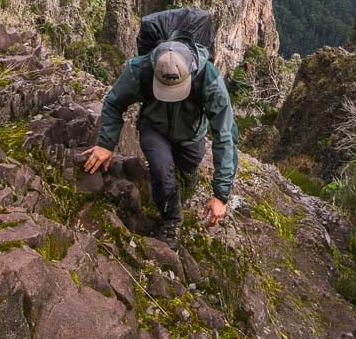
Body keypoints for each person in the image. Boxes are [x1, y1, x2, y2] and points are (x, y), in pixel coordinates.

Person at [81, 39, 238, 247]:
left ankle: (186, 182)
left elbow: (225, 133)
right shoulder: (140, 69)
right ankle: (171, 221)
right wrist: (106, 143)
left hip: (191, 134)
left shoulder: (209, 79)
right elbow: (114, 101)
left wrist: (221, 195)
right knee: (161, 169)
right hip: (154, 127)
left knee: (187, 168)